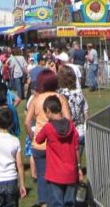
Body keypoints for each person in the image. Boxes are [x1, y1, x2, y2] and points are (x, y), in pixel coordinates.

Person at [25, 69, 72, 207]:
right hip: (56, 142)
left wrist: (32, 135)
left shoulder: (35, 99)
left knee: (41, 175)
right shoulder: (60, 98)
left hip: (40, 144)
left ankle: (44, 202)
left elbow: (27, 122)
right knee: (57, 175)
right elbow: (68, 119)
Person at [34, 95, 79, 207]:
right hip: (71, 172)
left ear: (48, 111)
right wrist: (78, 166)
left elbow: (38, 140)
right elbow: (76, 147)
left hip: (55, 173)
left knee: (56, 203)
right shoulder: (71, 126)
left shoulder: (48, 128)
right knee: (70, 203)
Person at [57, 65, 87, 151]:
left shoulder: (60, 95)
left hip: (67, 132)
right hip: (81, 130)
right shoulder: (80, 93)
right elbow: (86, 112)